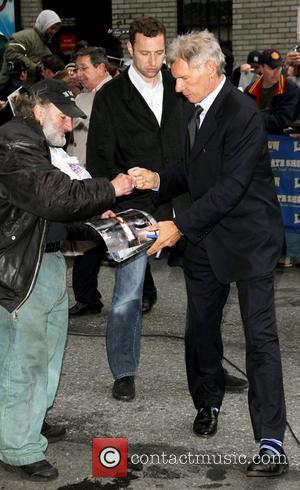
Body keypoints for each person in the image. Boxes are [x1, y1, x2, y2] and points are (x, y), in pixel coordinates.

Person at [129, 30, 288, 477]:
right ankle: (208, 403)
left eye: (181, 78)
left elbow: (231, 188)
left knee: (260, 340)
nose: (175, 87)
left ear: (210, 70)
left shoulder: (243, 114)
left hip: (249, 238)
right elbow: (191, 169)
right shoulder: (187, 107)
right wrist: (156, 180)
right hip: (204, 236)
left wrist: (178, 226)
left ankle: (272, 441)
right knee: (200, 329)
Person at [0, 78, 133, 481]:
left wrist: (98, 217)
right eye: (64, 116)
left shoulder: (40, 145)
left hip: (48, 261)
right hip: (24, 266)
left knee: (48, 356)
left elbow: (59, 206)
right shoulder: (16, 141)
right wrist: (111, 188)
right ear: (39, 110)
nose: (70, 125)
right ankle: (18, 447)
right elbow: (53, 197)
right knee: (25, 359)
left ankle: (30, 420)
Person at [86, 16, 183, 401]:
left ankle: (210, 367)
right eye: (145, 53)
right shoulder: (110, 96)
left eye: (160, 52)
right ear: (129, 49)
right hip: (132, 207)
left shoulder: (180, 87)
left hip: (181, 200)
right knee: (128, 294)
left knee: (208, 288)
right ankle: (124, 371)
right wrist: (108, 201)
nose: (153, 60)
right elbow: (99, 157)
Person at [67, 46, 112, 315]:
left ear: (101, 68)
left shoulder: (119, 95)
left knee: (118, 236)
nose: (79, 74)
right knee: (90, 236)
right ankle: (87, 297)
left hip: (107, 177)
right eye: (77, 68)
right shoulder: (81, 98)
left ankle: (145, 291)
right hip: (81, 177)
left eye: (84, 68)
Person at [0, 9, 62, 87]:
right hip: (8, 88)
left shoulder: (46, 49)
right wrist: (36, 68)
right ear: (44, 24)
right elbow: (12, 54)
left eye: (56, 29)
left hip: (27, 89)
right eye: (52, 28)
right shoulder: (23, 37)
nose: (54, 31)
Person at [244, 48, 300, 134]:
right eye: (271, 68)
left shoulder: (290, 89)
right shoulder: (250, 90)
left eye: (279, 68)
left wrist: (254, 117)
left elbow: (283, 121)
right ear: (261, 68)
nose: (276, 72)